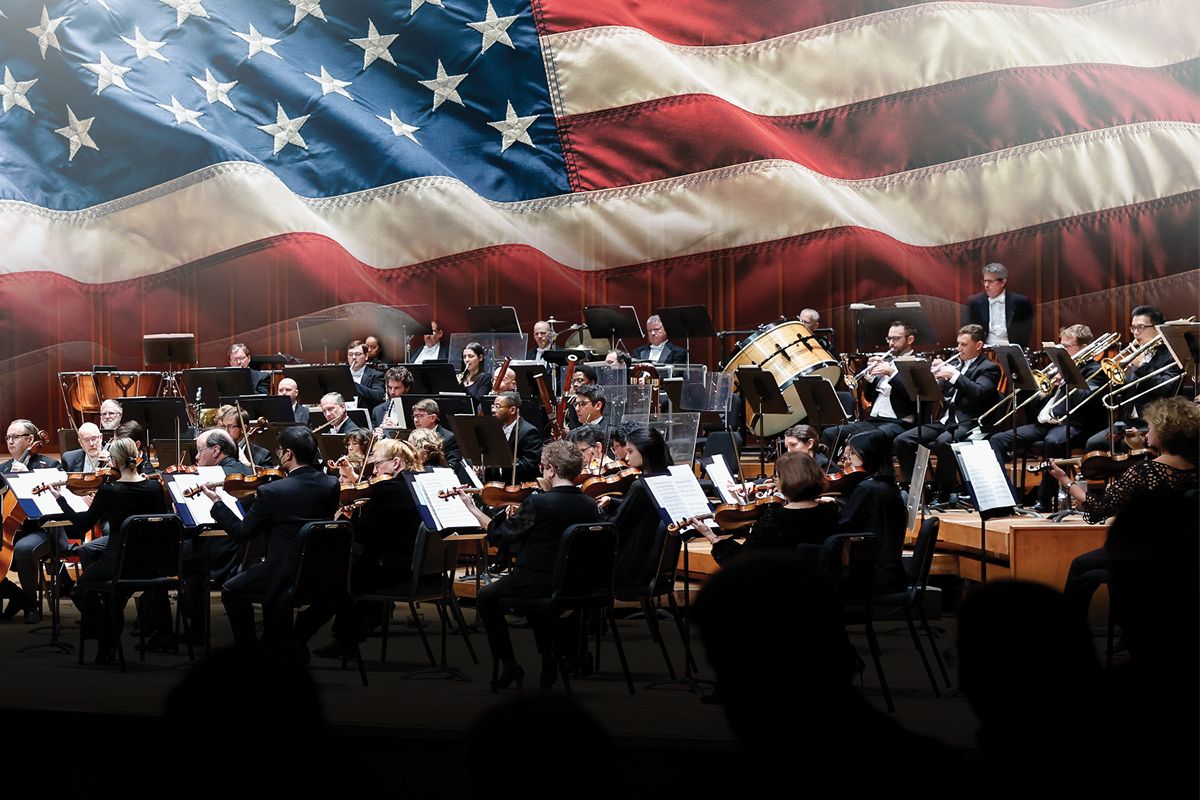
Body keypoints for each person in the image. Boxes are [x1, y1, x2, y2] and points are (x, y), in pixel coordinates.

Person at [454, 440, 600, 689]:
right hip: (575, 585)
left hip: (537, 581)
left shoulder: (539, 503)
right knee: (533, 604)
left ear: (551, 470)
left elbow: (501, 537)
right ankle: (548, 657)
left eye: (543, 467)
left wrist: (473, 510)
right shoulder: (589, 504)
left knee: (487, 597)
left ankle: (509, 664)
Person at [202, 425, 340, 657]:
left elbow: (241, 533)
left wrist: (217, 503)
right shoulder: (331, 484)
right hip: (320, 571)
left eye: (279, 451)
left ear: (288, 454)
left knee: (230, 590)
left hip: (282, 572)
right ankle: (293, 641)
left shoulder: (273, 491)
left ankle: (249, 651)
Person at [1051, 397, 1198, 614]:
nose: (1147, 433)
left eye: (1150, 428)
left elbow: (1099, 509)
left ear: (1165, 432)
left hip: (1142, 553)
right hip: (1184, 555)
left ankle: (1069, 633)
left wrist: (1067, 482)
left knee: (1079, 566)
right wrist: (1141, 451)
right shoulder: (1194, 469)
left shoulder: (1144, 472)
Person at [45, 437, 169, 661]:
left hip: (118, 563)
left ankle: (105, 636)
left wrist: (60, 499)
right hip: (152, 565)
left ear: (114, 460)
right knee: (115, 600)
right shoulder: (154, 488)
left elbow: (82, 525)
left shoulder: (111, 490)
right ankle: (108, 644)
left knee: (80, 589)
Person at [298, 438, 424, 658]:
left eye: (377, 465)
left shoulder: (389, 490)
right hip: (417, 565)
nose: (374, 471)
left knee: (334, 581)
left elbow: (368, 534)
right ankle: (346, 637)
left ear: (396, 463)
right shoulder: (418, 484)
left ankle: (301, 636)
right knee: (342, 577)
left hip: (392, 568)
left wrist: (350, 519)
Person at [989, 324, 1106, 510]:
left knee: (1053, 442)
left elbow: (1085, 401)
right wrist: (1029, 388)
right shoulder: (1059, 368)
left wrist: (1068, 381)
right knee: (998, 439)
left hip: (1075, 425)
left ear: (1084, 348)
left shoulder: (1096, 370)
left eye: (1066, 347)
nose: (1061, 351)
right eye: (1060, 346)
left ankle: (1043, 500)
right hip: (1047, 423)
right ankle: (1006, 497)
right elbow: (1037, 409)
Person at [893, 324, 1001, 502]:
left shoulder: (989, 368)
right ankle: (914, 489)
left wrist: (954, 376)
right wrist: (931, 378)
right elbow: (939, 393)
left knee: (944, 443)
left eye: (964, 344)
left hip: (970, 422)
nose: (959, 348)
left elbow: (979, 393)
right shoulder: (956, 364)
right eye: (958, 344)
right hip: (946, 422)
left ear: (979, 345)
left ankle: (943, 493)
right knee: (902, 440)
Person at [700, 452, 839, 564]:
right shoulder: (830, 511)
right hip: (820, 586)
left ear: (787, 481)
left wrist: (711, 537)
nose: (775, 481)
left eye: (776, 477)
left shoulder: (773, 518)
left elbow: (741, 562)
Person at [1083, 304, 1182, 451]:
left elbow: (1166, 389)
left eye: (1141, 327)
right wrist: (1120, 377)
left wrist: (1142, 365)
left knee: (1125, 447)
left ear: (1157, 329)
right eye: (1133, 328)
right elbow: (1124, 392)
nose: (1135, 333)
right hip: (1127, 422)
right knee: (1093, 444)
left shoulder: (1171, 356)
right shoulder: (1136, 353)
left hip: (1154, 424)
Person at [821, 320, 919, 453]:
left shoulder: (918, 362)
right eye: (889, 338)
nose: (891, 343)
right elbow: (868, 397)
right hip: (875, 420)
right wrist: (870, 376)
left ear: (910, 339)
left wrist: (892, 373)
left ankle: (869, 473)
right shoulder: (887, 361)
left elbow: (913, 396)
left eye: (895, 339)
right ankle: (834, 472)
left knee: (864, 438)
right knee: (831, 433)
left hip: (899, 422)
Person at [0, 420, 60, 623]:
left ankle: (32, 605)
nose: (10, 442)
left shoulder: (49, 466)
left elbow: (55, 507)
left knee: (24, 548)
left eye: (15, 437)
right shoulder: (4, 468)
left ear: (30, 440)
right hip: (11, 529)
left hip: (44, 530)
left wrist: (27, 480)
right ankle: (18, 596)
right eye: (8, 437)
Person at [836, 429, 907, 593]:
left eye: (852, 455)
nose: (847, 462)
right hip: (891, 574)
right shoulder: (888, 485)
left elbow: (843, 526)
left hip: (870, 577)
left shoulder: (867, 488)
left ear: (869, 455)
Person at [962, 262, 1034, 348]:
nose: (986, 285)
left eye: (990, 282)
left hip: (1011, 351)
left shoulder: (1021, 302)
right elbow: (968, 330)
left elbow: (1025, 331)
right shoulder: (974, 302)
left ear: (1003, 282)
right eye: (985, 281)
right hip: (983, 351)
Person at [484, 391, 544, 483]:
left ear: (512, 410)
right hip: (496, 485)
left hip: (518, 486)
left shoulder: (529, 432)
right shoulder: (495, 429)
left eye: (498, 406)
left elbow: (529, 465)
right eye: (493, 406)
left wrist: (501, 464)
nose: (493, 410)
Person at [411, 398, 462, 471]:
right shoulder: (413, 436)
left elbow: (453, 465)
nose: (415, 420)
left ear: (432, 418)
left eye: (420, 416)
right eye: (414, 416)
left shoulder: (449, 438)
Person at [371, 366, 413, 436]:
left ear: (407, 388)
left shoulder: (414, 411)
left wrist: (395, 431)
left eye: (397, 388)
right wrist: (375, 434)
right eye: (390, 387)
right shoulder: (378, 411)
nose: (392, 392)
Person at [346, 339, 385, 413]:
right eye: (350, 354)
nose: (354, 357)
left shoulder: (376, 375)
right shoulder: (340, 375)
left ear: (366, 356)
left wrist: (353, 384)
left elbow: (378, 396)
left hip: (364, 417)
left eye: (357, 354)